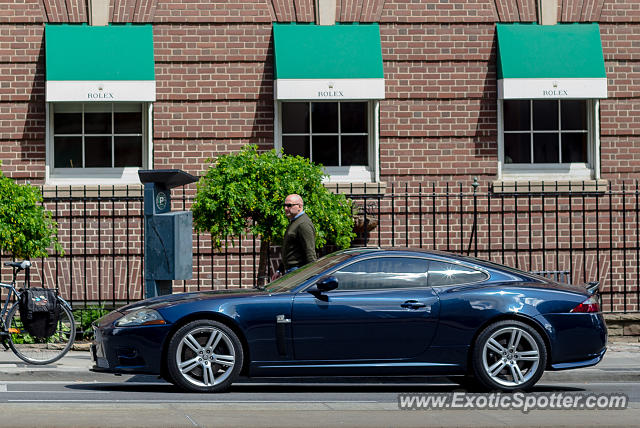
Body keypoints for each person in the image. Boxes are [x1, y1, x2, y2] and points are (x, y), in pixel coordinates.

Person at [272, 194, 317, 280]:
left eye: (289, 205)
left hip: (298, 271)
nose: (286, 208)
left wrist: (313, 276)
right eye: (284, 205)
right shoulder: (294, 222)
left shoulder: (303, 224)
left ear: (299, 206)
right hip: (291, 270)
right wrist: (279, 270)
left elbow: (309, 251)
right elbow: (289, 250)